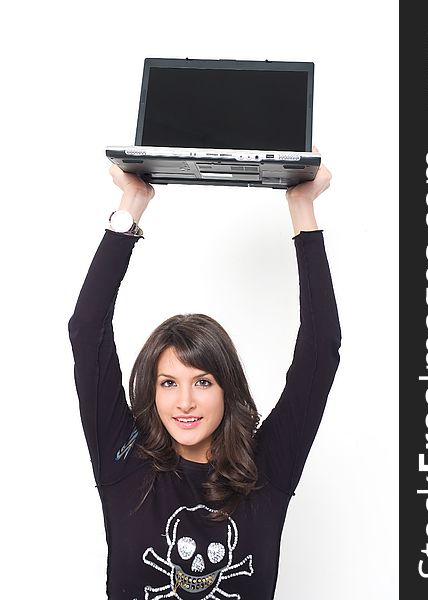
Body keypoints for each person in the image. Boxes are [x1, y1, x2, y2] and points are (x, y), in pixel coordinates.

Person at [68, 158, 341, 600]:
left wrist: (302, 207)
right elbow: (86, 331)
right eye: (169, 383)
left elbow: (320, 352)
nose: (185, 403)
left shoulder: (267, 471)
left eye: (204, 382)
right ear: (152, 393)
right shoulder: (124, 461)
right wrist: (131, 204)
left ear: (227, 389)